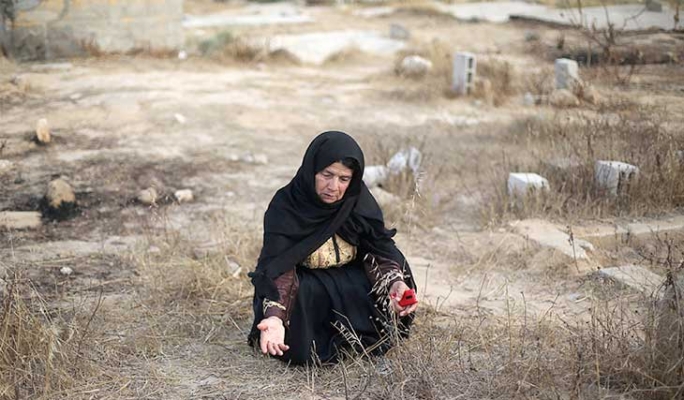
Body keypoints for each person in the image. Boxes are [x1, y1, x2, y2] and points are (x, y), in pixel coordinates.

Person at [247, 130, 418, 365]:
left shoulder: (357, 201)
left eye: (343, 179)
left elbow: (377, 247)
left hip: (350, 277)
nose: (333, 186)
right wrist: (275, 317)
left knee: (397, 263)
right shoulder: (286, 206)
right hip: (305, 283)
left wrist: (395, 285)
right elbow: (278, 265)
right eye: (326, 175)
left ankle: (366, 338)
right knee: (306, 297)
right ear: (312, 170)